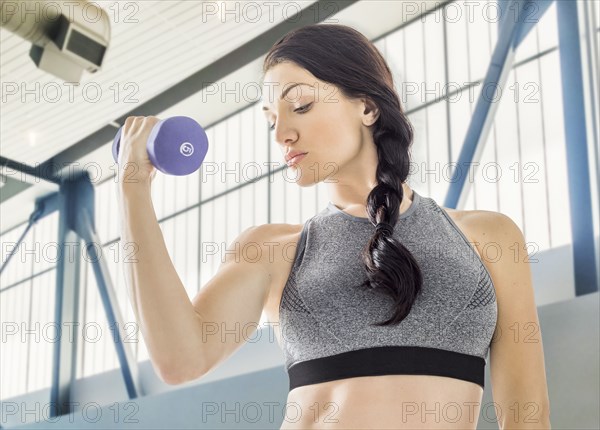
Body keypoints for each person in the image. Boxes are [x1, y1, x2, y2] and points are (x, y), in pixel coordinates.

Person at [117, 24, 551, 429]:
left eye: (299, 105)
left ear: (366, 105)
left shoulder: (488, 237)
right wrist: (133, 191)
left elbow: (527, 412)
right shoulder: (273, 249)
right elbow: (180, 359)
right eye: (271, 120)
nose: (281, 133)